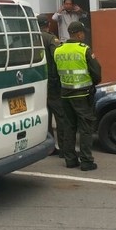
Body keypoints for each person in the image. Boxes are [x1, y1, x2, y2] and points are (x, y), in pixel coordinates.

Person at [53, 20, 101, 172]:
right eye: (83, 33)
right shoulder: (83, 49)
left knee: (69, 127)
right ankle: (86, 161)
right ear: (79, 33)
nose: (84, 35)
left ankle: (70, 160)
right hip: (83, 94)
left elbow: (55, 73)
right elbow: (96, 73)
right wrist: (92, 83)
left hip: (65, 94)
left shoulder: (58, 50)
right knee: (86, 128)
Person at [38, 15, 65, 156]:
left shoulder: (33, 37)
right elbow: (57, 57)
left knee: (45, 115)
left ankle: (48, 146)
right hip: (53, 82)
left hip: (38, 82)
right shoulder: (50, 38)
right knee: (60, 115)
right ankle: (64, 147)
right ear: (48, 24)